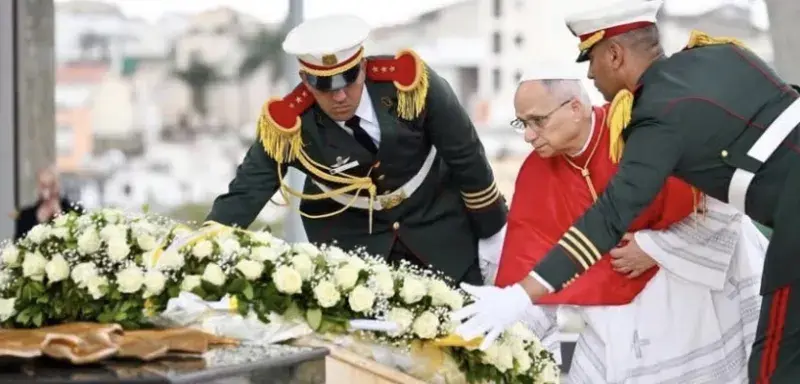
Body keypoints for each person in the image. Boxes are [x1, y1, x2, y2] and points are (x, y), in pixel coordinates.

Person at [452, 0, 800, 382]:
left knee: (773, 367)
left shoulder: (652, 119)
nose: (590, 74)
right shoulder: (722, 52)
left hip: (739, 254)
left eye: (591, 59)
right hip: (614, 315)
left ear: (614, 55)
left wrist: (517, 297)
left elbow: (610, 216)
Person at [494, 63, 765, 383]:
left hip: (693, 288)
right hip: (614, 314)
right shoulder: (539, 176)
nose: (528, 135)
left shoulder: (641, 128)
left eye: (537, 121)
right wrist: (498, 336)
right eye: (521, 123)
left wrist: (653, 248)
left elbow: (722, 199)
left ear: (576, 108)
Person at [204, 15, 507, 285]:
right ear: (305, 81)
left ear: (362, 66)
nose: (339, 96)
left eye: (348, 80)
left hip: (441, 233)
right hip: (355, 256)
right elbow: (246, 192)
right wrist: (201, 251)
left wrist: (492, 230)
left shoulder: (408, 83)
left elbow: (465, 153)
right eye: (324, 85)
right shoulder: (289, 124)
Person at [13, 167, 83, 240]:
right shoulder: (25, 215)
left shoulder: (75, 210)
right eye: (43, 186)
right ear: (37, 188)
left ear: (59, 185)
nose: (48, 191)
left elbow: (78, 237)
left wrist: (59, 216)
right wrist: (39, 222)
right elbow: (19, 243)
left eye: (52, 185)